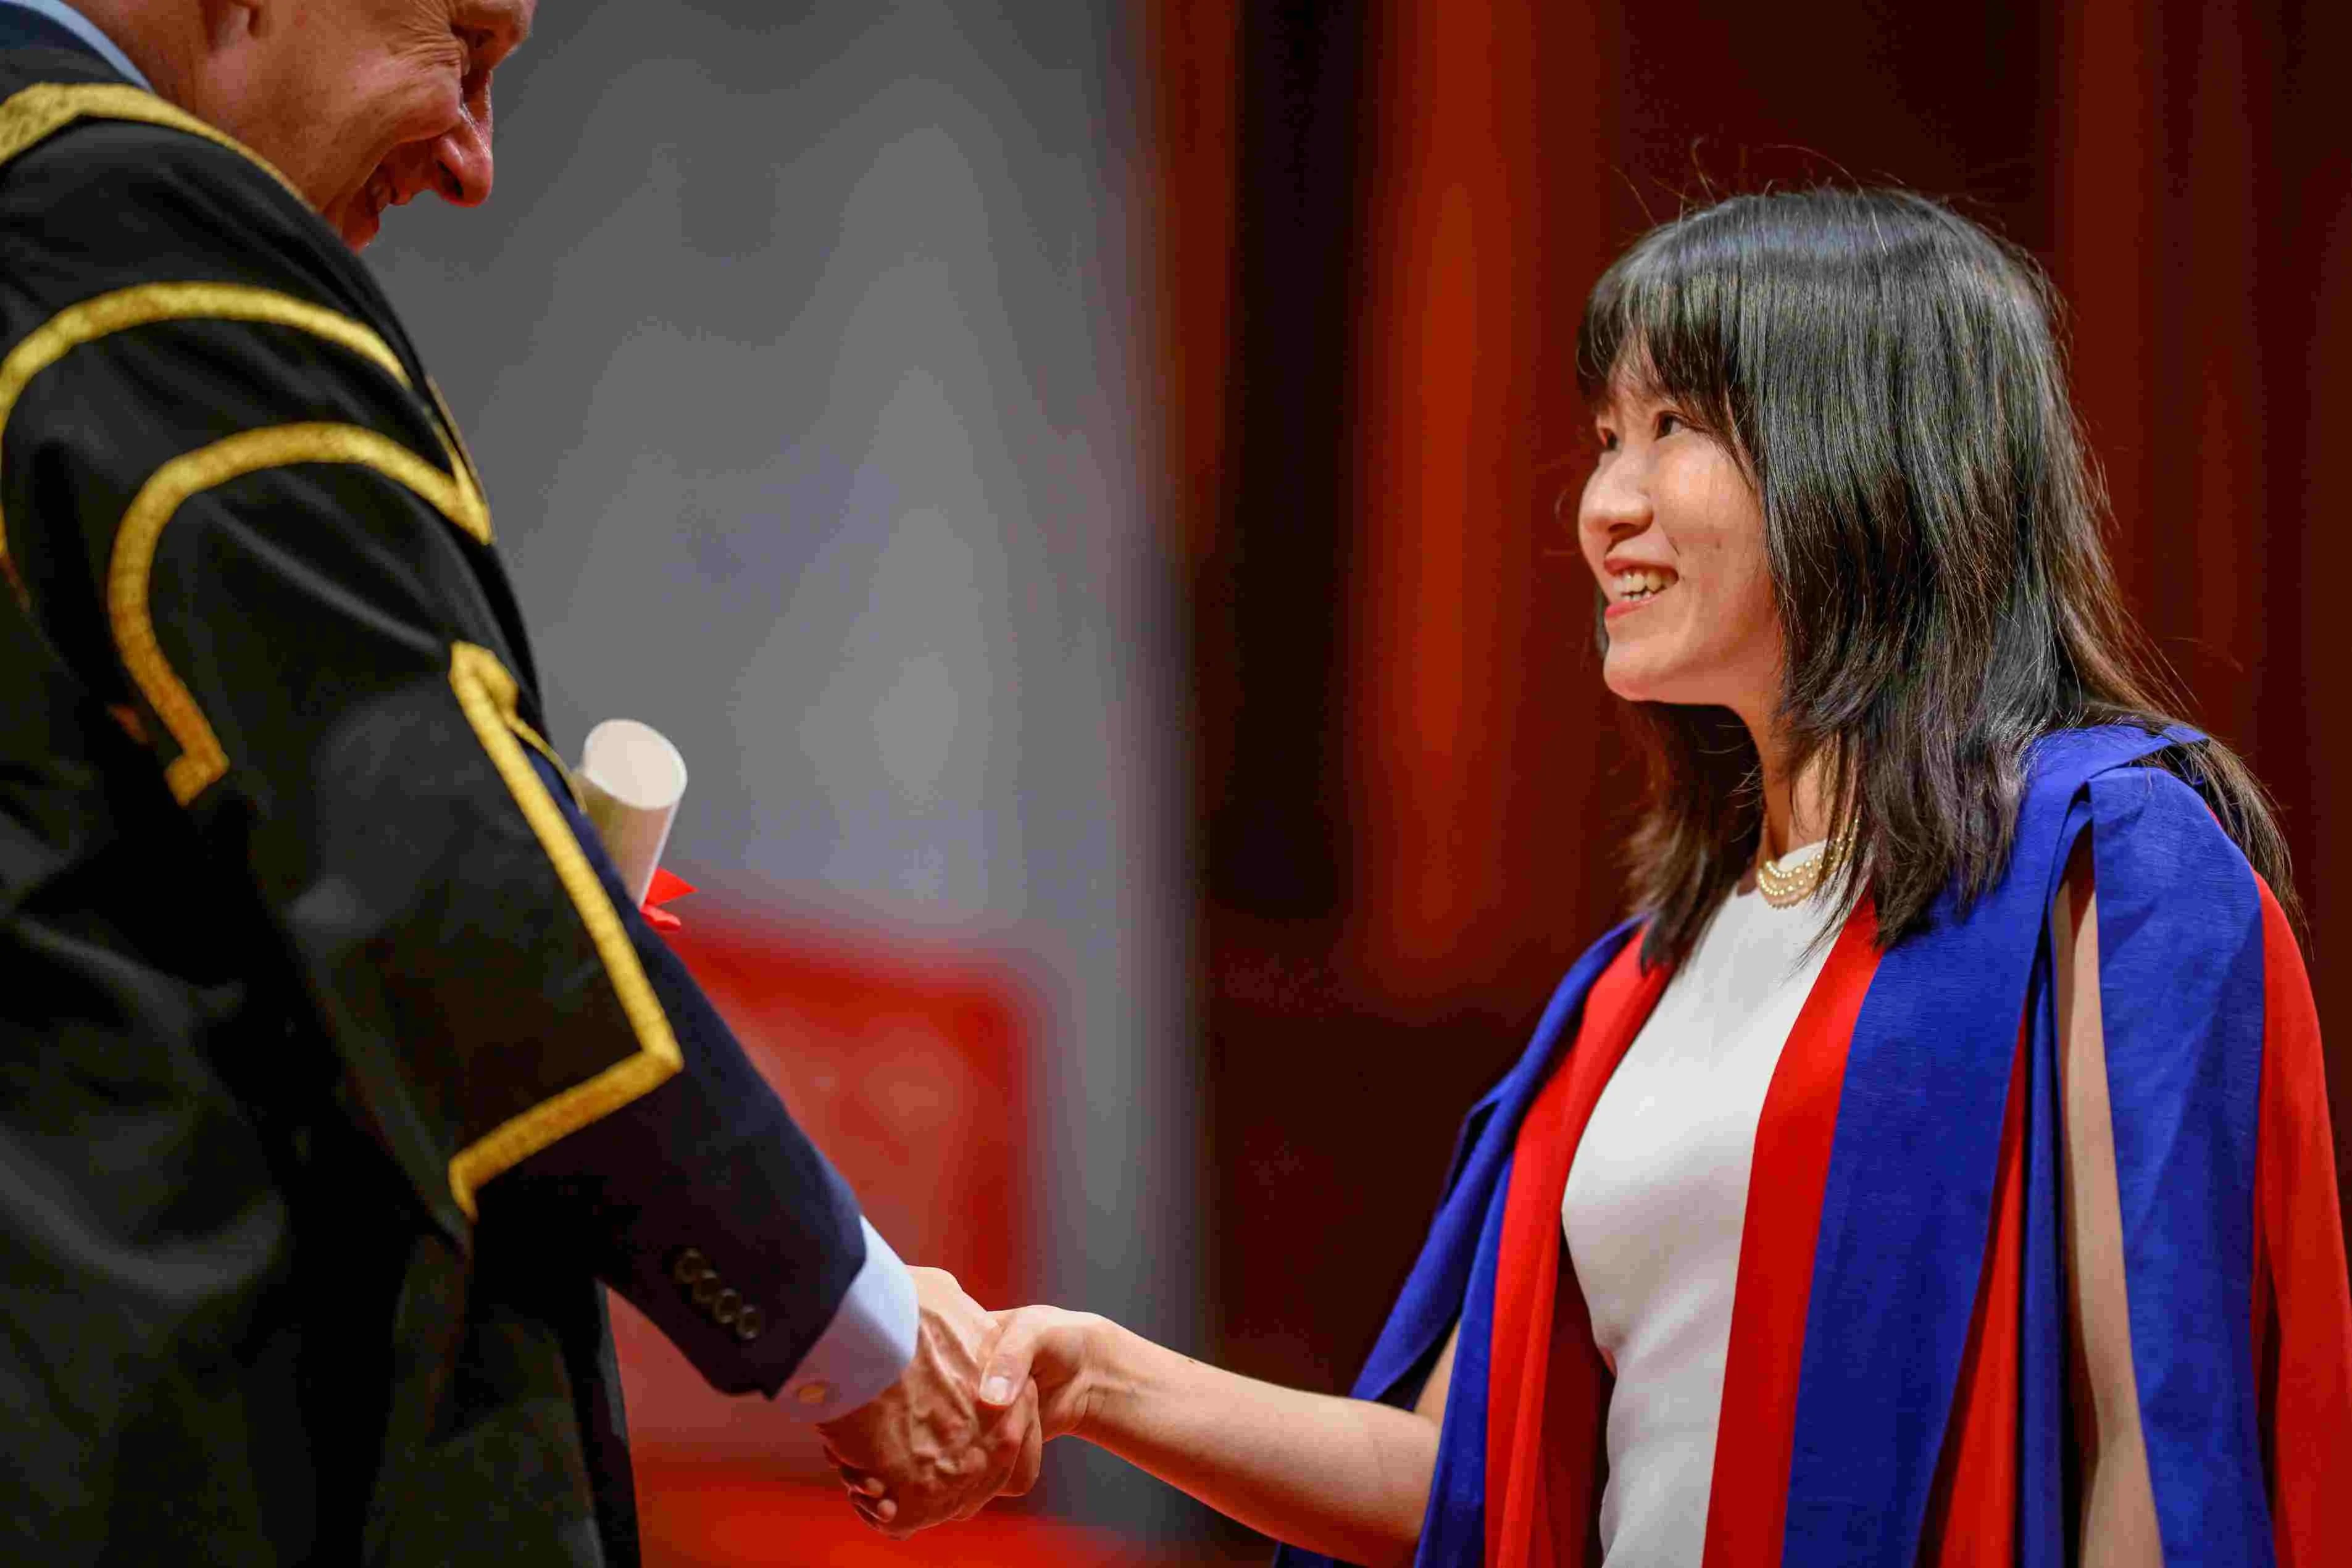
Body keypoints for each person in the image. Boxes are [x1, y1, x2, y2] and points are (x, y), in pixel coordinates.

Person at [851, 190, 2352, 1564]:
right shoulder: (1643, 981)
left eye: (1675, 425)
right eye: (1602, 436)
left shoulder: (2110, 867)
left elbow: (2170, 1449)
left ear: (1873, 453)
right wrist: (1096, 1375)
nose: (1602, 507)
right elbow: (1462, 1478)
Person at [0, 2, 1039, 1561]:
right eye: (464, 43)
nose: (478, 160)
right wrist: (861, 1325)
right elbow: (426, 850)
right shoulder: (119, 216)